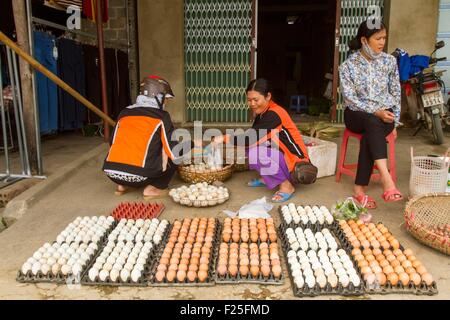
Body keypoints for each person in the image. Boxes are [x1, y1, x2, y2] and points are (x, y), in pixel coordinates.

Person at [212, 79, 318, 203]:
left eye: (256, 100)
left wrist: (223, 138)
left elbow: (248, 139)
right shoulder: (262, 113)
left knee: (255, 153)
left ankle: (286, 186)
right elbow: (252, 138)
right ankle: (269, 178)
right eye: (249, 100)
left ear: (268, 96)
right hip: (284, 158)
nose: (252, 104)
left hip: (295, 166)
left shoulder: (274, 114)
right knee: (251, 148)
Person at [339, 19, 404, 209]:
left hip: (385, 115)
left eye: (384, 38)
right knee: (371, 121)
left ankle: (359, 190)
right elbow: (350, 99)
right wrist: (376, 112)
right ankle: (387, 180)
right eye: (378, 38)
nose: (382, 42)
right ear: (364, 40)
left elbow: (396, 93)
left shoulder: (389, 61)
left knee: (372, 129)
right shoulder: (348, 66)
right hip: (356, 114)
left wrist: (396, 121)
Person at [103, 75, 188, 200]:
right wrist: (189, 144)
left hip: (112, 172)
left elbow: (112, 142)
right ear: (158, 97)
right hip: (141, 177)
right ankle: (153, 189)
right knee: (171, 152)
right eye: (166, 99)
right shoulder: (161, 116)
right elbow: (173, 152)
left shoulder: (124, 113)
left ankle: (121, 185)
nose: (166, 103)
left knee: (125, 144)